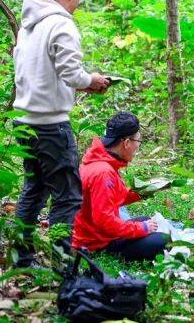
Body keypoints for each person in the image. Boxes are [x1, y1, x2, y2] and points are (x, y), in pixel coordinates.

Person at [12, 0, 111, 268]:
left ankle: (21, 259)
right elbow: (69, 72)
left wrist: (85, 84)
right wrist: (91, 78)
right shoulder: (61, 24)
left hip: (24, 119)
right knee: (68, 196)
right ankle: (62, 264)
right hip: (50, 125)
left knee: (34, 189)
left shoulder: (28, 24)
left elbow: (45, 74)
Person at [71, 112, 168, 261]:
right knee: (162, 240)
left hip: (97, 233)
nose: (138, 146)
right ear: (126, 143)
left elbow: (112, 198)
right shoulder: (103, 173)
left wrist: (144, 191)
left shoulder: (101, 161)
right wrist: (142, 229)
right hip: (97, 243)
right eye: (138, 141)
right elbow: (104, 221)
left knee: (147, 219)